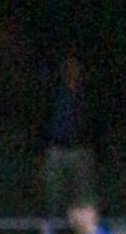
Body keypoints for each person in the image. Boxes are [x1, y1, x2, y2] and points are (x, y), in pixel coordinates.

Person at [42, 52, 98, 217]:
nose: (72, 71)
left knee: (83, 201)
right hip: (57, 149)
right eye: (68, 67)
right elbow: (44, 118)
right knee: (54, 200)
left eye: (75, 67)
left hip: (81, 150)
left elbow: (95, 121)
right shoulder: (53, 92)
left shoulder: (88, 94)